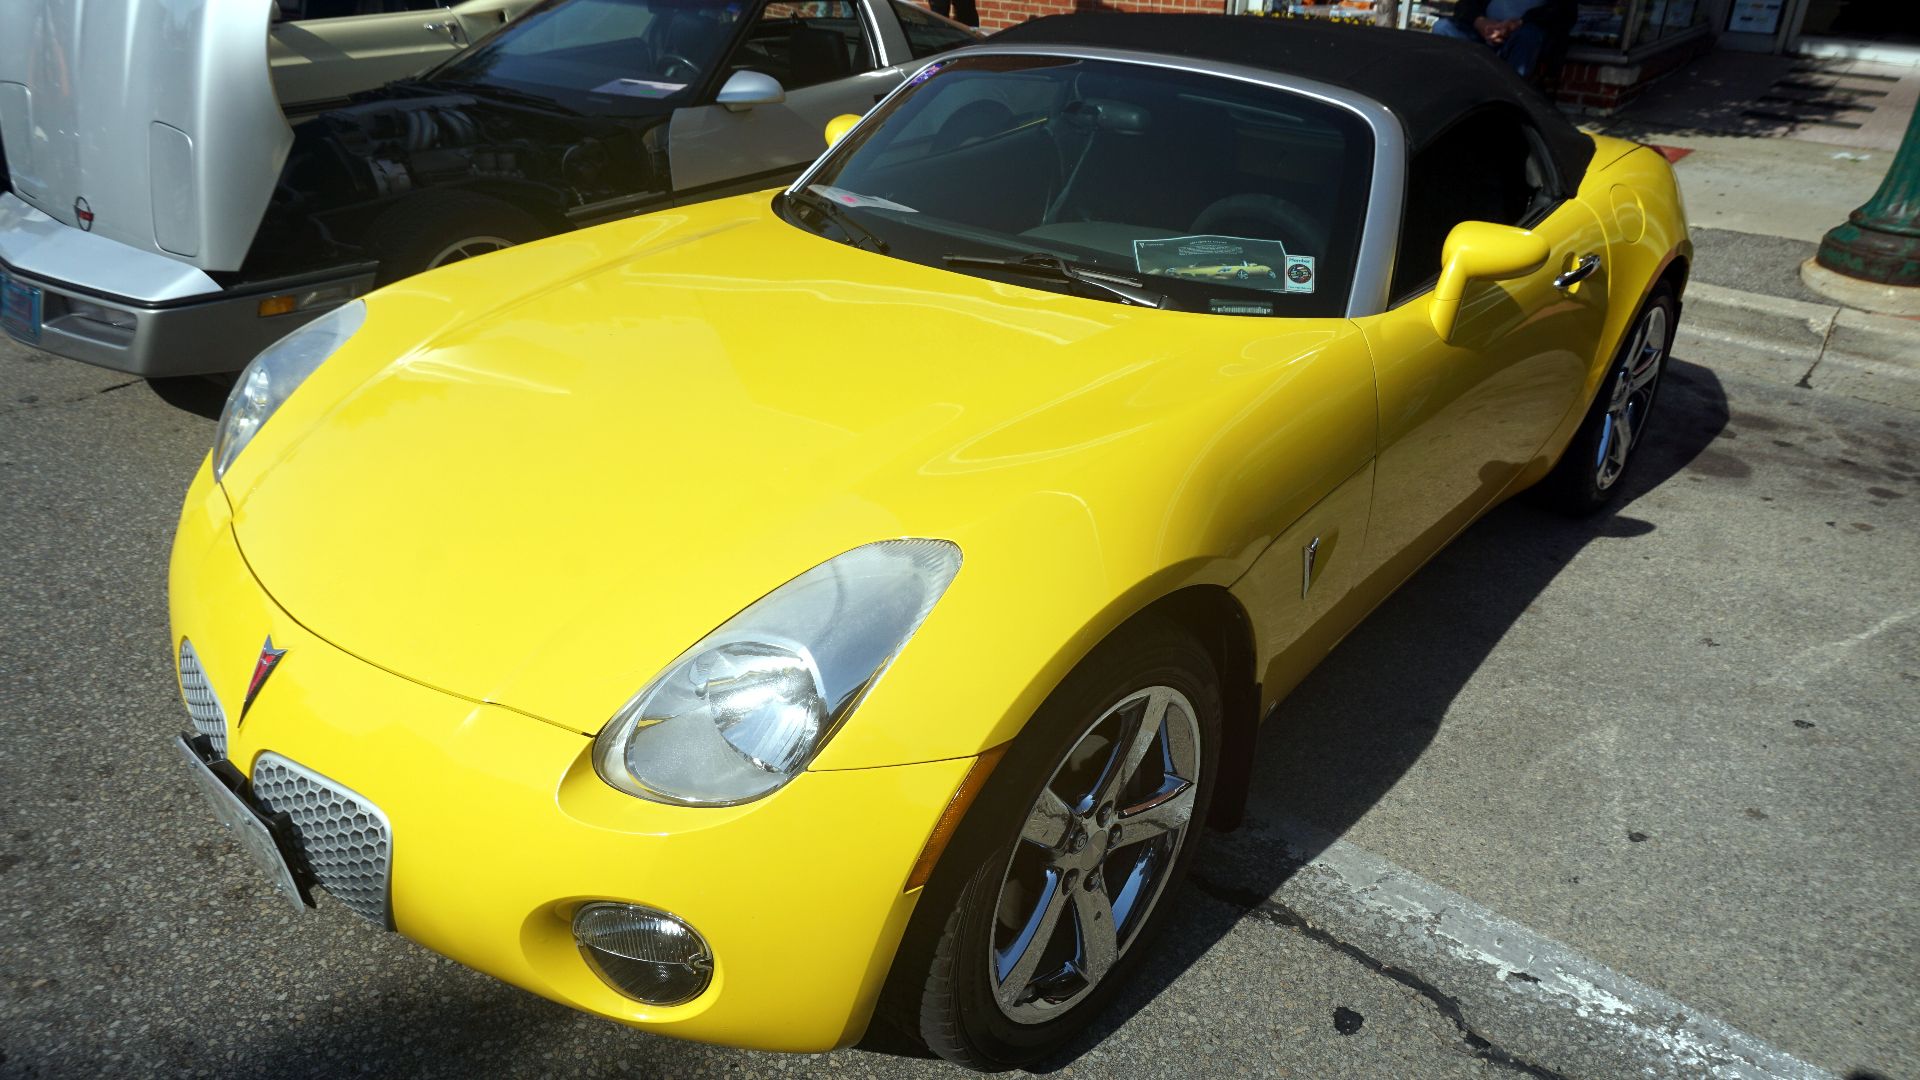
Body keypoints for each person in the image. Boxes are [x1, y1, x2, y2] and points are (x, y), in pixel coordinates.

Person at [1431, 0, 1576, 83]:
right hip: (1484, 34)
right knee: (1443, 27)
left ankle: (1509, 96)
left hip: (1523, 35)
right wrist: (1481, 22)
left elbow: (1564, 12)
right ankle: (1453, 90)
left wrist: (1518, 23)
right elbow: (1466, 5)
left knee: (1529, 36)